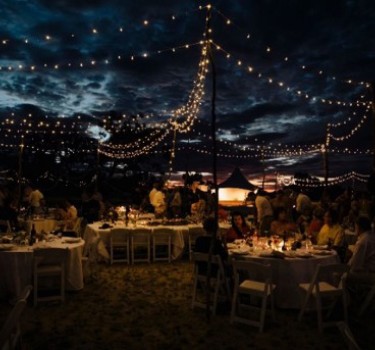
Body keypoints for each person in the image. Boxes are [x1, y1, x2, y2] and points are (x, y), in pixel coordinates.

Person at [346, 216, 375, 301]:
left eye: (355, 226)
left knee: (338, 275)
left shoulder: (363, 241)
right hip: (371, 272)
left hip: (369, 274)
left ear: (359, 227)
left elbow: (355, 265)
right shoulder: (372, 237)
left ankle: (346, 302)